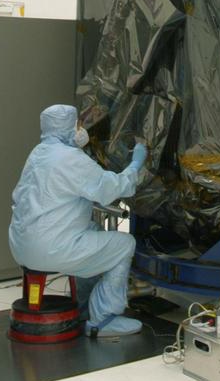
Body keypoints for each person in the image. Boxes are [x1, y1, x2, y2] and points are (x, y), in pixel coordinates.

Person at [9, 105, 147, 338]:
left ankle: (85, 306)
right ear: (66, 127)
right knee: (125, 244)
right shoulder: (71, 158)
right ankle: (104, 319)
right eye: (77, 125)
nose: (80, 130)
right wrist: (135, 165)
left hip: (21, 246)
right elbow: (110, 189)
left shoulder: (39, 153)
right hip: (52, 249)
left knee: (92, 231)